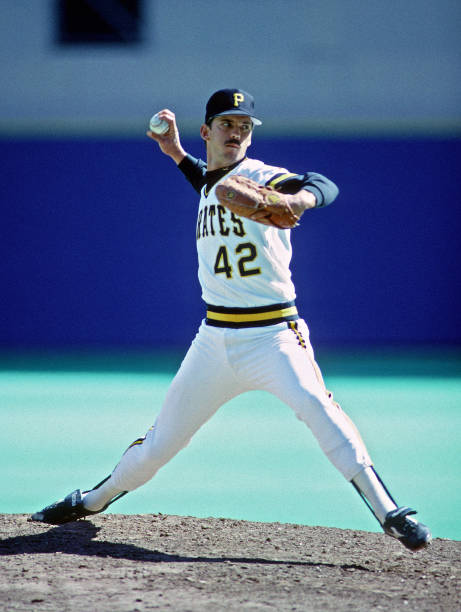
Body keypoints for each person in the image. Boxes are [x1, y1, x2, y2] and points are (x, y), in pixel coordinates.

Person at [30, 88, 431, 552]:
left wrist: (299, 201)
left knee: (319, 410)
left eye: (244, 126)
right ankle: (90, 502)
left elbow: (323, 183)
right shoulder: (213, 182)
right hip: (214, 341)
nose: (236, 132)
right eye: (226, 123)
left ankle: (390, 513)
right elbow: (211, 184)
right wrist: (176, 153)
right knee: (160, 445)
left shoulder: (262, 177)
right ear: (206, 130)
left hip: (274, 337)